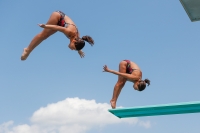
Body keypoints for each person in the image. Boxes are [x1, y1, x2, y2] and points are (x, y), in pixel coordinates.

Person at [21, 11, 94, 60]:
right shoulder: (70, 31)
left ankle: (28, 50)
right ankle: (27, 50)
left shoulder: (77, 39)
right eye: (74, 48)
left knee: (46, 36)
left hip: (61, 25)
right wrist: (45, 26)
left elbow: (78, 43)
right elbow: (57, 27)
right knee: (44, 35)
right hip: (58, 16)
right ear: (74, 41)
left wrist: (79, 50)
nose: (72, 49)